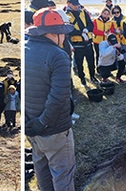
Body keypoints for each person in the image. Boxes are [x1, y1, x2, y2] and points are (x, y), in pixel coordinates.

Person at [24, 8, 77, 191]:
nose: (64, 37)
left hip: (32, 127)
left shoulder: (24, 49)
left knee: (42, 170)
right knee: (63, 175)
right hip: (54, 129)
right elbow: (58, 97)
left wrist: (28, 121)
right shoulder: (58, 56)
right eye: (63, 32)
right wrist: (43, 122)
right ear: (55, 33)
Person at [67, 0, 96, 85]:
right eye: (74, 5)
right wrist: (81, 34)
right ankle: (82, 79)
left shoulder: (83, 12)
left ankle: (92, 76)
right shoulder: (67, 15)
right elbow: (69, 30)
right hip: (77, 43)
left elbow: (91, 25)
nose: (76, 6)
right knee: (79, 63)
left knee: (91, 61)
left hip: (88, 42)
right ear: (68, 4)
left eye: (77, 4)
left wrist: (87, 29)